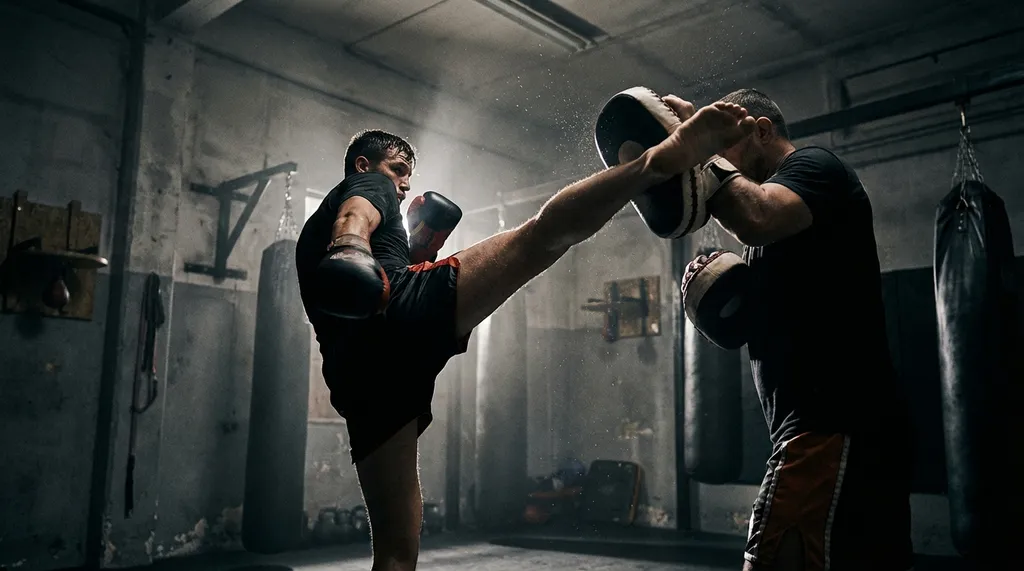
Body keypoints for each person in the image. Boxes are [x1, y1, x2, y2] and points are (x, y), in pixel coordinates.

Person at [296, 101, 756, 571]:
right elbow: (355, 215)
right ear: (363, 164)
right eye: (398, 171)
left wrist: (412, 248)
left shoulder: (325, 236)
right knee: (543, 234)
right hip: (401, 317)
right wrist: (351, 245)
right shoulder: (365, 186)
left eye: (407, 176)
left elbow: (361, 277)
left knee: (396, 548)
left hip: (361, 383)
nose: (404, 184)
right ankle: (659, 160)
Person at [685, 89, 914, 571]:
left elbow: (756, 214)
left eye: (727, 150)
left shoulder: (816, 167)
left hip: (830, 424)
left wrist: (700, 150)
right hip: (830, 429)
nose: (721, 166)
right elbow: (748, 329)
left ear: (762, 131)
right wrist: (712, 297)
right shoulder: (778, 236)